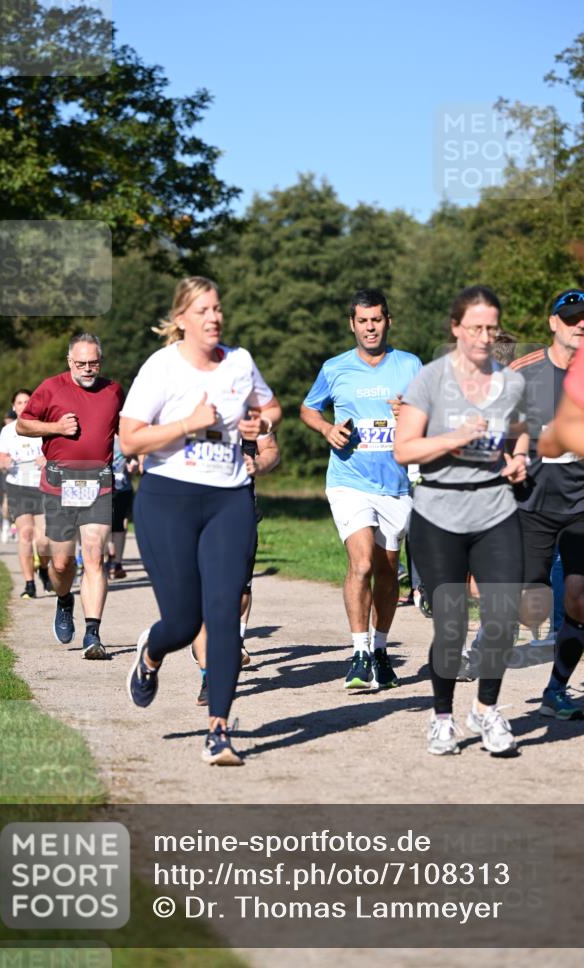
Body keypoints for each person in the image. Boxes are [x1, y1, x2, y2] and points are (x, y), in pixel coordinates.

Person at [119, 275, 281, 765]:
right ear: (182, 319)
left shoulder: (240, 361)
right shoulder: (161, 368)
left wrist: (262, 423)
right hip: (168, 500)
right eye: (204, 310)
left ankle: (219, 730)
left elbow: (269, 405)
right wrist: (189, 423)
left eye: (218, 309)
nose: (214, 318)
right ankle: (152, 651)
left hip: (228, 498)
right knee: (185, 620)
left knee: (225, 611)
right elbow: (129, 440)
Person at [394, 285, 529, 756]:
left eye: (492, 328)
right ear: (456, 328)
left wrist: (519, 458)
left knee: (503, 615)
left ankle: (486, 709)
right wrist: (451, 439)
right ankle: (442, 718)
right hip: (439, 512)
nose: (484, 337)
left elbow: (519, 428)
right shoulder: (430, 381)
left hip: (495, 508)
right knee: (450, 625)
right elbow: (404, 448)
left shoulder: (510, 382)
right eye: (475, 327)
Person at [300, 288, 422, 691]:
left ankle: (382, 651)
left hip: (396, 483)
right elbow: (308, 408)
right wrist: (326, 429)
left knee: (388, 570)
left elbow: (431, 414)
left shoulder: (410, 365)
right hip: (349, 480)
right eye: (363, 321)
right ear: (352, 324)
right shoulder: (335, 368)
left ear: (388, 321)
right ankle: (358, 653)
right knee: (364, 562)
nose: (370, 328)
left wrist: (410, 414)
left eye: (377, 320)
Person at [511, 290, 584, 720]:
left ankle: (557, 688)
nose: (581, 324)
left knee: (582, 597)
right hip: (531, 503)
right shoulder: (523, 373)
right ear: (553, 323)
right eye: (571, 318)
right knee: (529, 600)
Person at [17, 333, 124, 659]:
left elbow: (127, 428)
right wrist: (56, 429)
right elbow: (23, 425)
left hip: (99, 483)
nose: (88, 369)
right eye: (81, 364)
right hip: (59, 484)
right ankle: (65, 600)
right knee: (62, 564)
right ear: (69, 362)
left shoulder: (114, 390)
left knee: (94, 556)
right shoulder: (51, 387)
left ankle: (93, 634)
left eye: (93, 363)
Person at [193, 426, 281, 707]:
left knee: (238, 592)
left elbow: (271, 450)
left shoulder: (251, 409)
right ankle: (211, 675)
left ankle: (234, 640)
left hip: (240, 513)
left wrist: (258, 463)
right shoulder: (185, 401)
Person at [0, 389, 53, 597]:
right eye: (19, 402)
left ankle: (44, 569)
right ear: (14, 407)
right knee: (25, 534)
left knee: (45, 540)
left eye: (27, 402)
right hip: (18, 485)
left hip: (42, 485)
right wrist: (5, 463)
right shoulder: (8, 431)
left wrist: (47, 459)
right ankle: (29, 584)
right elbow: (1, 460)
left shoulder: (43, 427)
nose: (23, 405)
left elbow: (55, 453)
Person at [105, 435, 137, 580]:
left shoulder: (126, 436)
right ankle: (107, 559)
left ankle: (117, 563)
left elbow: (133, 459)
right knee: (104, 527)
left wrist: (133, 465)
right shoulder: (101, 434)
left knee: (119, 527)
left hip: (122, 489)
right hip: (103, 489)